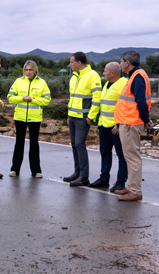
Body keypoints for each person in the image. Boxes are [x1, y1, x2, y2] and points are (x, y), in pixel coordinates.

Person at [114, 51, 154, 201]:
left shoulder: (137, 77)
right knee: (130, 156)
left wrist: (146, 118)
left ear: (127, 62)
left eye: (121, 61)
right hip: (129, 122)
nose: (120, 64)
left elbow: (141, 102)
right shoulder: (137, 76)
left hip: (131, 123)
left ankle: (135, 191)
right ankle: (131, 187)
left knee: (132, 157)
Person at [86, 62, 128, 191]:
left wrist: (119, 123)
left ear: (112, 73)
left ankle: (121, 181)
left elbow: (127, 106)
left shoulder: (124, 84)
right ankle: (104, 179)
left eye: (105, 71)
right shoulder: (106, 85)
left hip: (116, 127)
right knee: (105, 153)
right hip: (104, 125)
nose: (103, 73)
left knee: (121, 155)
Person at [63, 52, 102, 187]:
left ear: (79, 63)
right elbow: (72, 98)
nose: (70, 64)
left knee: (80, 144)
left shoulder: (92, 75)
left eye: (72, 62)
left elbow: (97, 98)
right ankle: (77, 172)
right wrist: (69, 115)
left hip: (84, 118)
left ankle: (84, 176)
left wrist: (91, 116)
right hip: (73, 117)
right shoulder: (74, 77)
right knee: (74, 145)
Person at [7, 60, 51, 178]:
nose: (28, 72)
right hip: (20, 117)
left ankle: (36, 171)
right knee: (19, 143)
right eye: (26, 70)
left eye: (30, 70)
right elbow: (10, 97)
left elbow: (47, 99)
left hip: (35, 118)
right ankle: (15, 169)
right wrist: (22, 98)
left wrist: (33, 100)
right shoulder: (18, 82)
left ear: (35, 70)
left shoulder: (42, 83)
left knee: (34, 144)